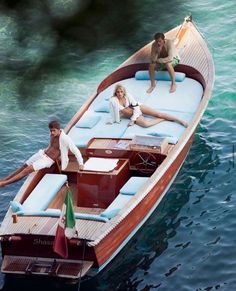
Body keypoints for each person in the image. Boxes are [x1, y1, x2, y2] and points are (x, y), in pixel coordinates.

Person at [0, 120, 84, 187]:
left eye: (53, 131)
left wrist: (81, 164)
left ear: (59, 129)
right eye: (50, 131)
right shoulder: (52, 135)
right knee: (24, 166)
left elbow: (76, 150)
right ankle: (4, 179)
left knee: (27, 170)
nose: (51, 133)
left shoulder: (65, 139)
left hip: (48, 160)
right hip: (42, 153)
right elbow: (50, 146)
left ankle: (4, 183)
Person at [108, 84, 188, 127]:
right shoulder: (114, 101)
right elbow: (120, 112)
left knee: (158, 114)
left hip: (137, 108)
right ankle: (162, 119)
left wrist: (133, 120)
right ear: (115, 92)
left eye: (121, 91)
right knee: (146, 124)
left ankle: (181, 121)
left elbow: (136, 106)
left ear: (124, 92)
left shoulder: (128, 95)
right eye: (118, 92)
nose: (120, 94)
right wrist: (133, 118)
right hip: (129, 113)